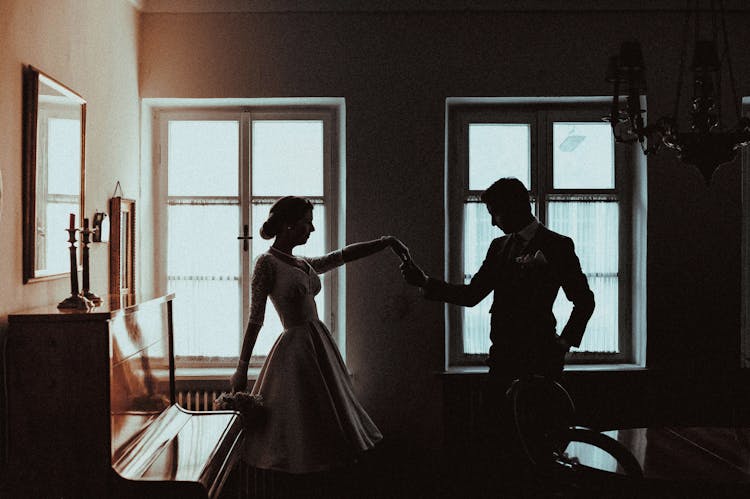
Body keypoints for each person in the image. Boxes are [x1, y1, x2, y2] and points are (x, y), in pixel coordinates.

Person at [229, 195, 408, 476]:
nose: (311, 230)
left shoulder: (301, 262)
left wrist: (385, 242)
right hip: (296, 350)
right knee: (301, 424)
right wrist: (241, 368)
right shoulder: (266, 263)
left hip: (319, 344)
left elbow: (341, 256)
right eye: (306, 223)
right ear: (288, 225)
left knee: (330, 421)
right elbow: (256, 319)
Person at [401, 177, 594, 424]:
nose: (492, 222)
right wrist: (425, 282)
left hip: (540, 361)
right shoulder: (498, 247)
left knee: (539, 436)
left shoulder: (557, 246)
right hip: (501, 359)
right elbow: (472, 295)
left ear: (515, 207)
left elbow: (585, 300)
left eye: (496, 214)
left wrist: (564, 342)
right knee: (495, 437)